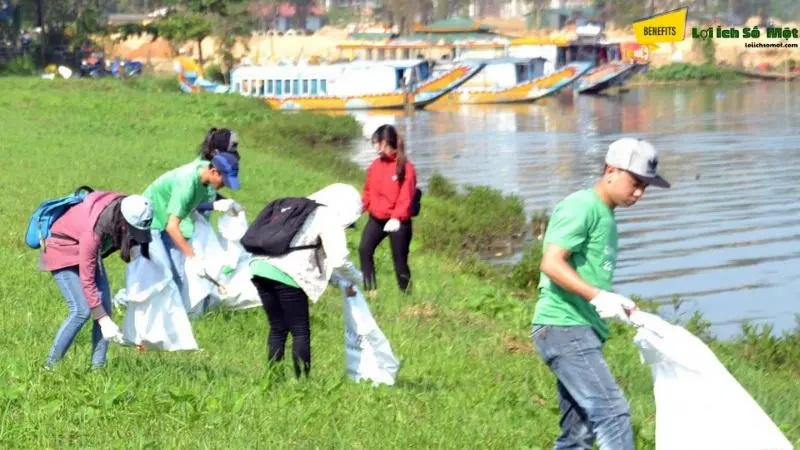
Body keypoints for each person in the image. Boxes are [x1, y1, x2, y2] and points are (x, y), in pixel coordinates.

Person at [531, 138, 671, 450]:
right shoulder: (582, 206)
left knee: (577, 437)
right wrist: (598, 296)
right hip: (564, 327)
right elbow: (552, 263)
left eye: (645, 188)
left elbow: (588, 273)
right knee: (613, 414)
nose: (638, 193)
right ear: (611, 170)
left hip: (579, 330)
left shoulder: (606, 215)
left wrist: (615, 302)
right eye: (635, 183)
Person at [248, 183, 364, 378]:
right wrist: (357, 278)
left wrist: (342, 283)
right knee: (300, 330)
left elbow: (319, 260)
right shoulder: (327, 216)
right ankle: (302, 382)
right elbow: (339, 260)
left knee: (278, 327)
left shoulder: (299, 209)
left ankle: (273, 378)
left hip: (259, 267)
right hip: (287, 273)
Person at [41, 192, 153, 370]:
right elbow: (87, 280)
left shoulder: (126, 207)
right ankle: (50, 366)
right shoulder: (93, 230)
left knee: (105, 309)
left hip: (87, 251)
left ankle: (97, 370)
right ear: (124, 222)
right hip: (62, 249)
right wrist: (103, 321)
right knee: (82, 311)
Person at [142, 151, 242, 311]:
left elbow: (188, 205)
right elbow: (172, 226)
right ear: (214, 171)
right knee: (163, 272)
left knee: (178, 276)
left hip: (167, 219)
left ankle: (176, 318)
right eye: (224, 180)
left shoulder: (204, 176)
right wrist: (193, 257)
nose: (225, 185)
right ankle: (126, 301)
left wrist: (221, 203)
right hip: (149, 221)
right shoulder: (188, 182)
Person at [359, 124, 417, 298]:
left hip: (398, 221)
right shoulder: (376, 165)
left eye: (377, 142)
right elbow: (368, 191)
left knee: (399, 262)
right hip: (377, 218)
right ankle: (371, 292)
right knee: (364, 249)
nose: (375, 146)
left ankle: (408, 296)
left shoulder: (406, 168)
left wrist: (397, 217)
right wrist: (358, 209)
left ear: (385, 142)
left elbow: (406, 197)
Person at [179, 127, 243, 239]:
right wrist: (214, 205)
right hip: (182, 230)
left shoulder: (214, 170)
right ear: (217, 153)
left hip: (196, 228)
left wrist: (225, 201)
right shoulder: (200, 173)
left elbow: (208, 194)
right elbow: (187, 204)